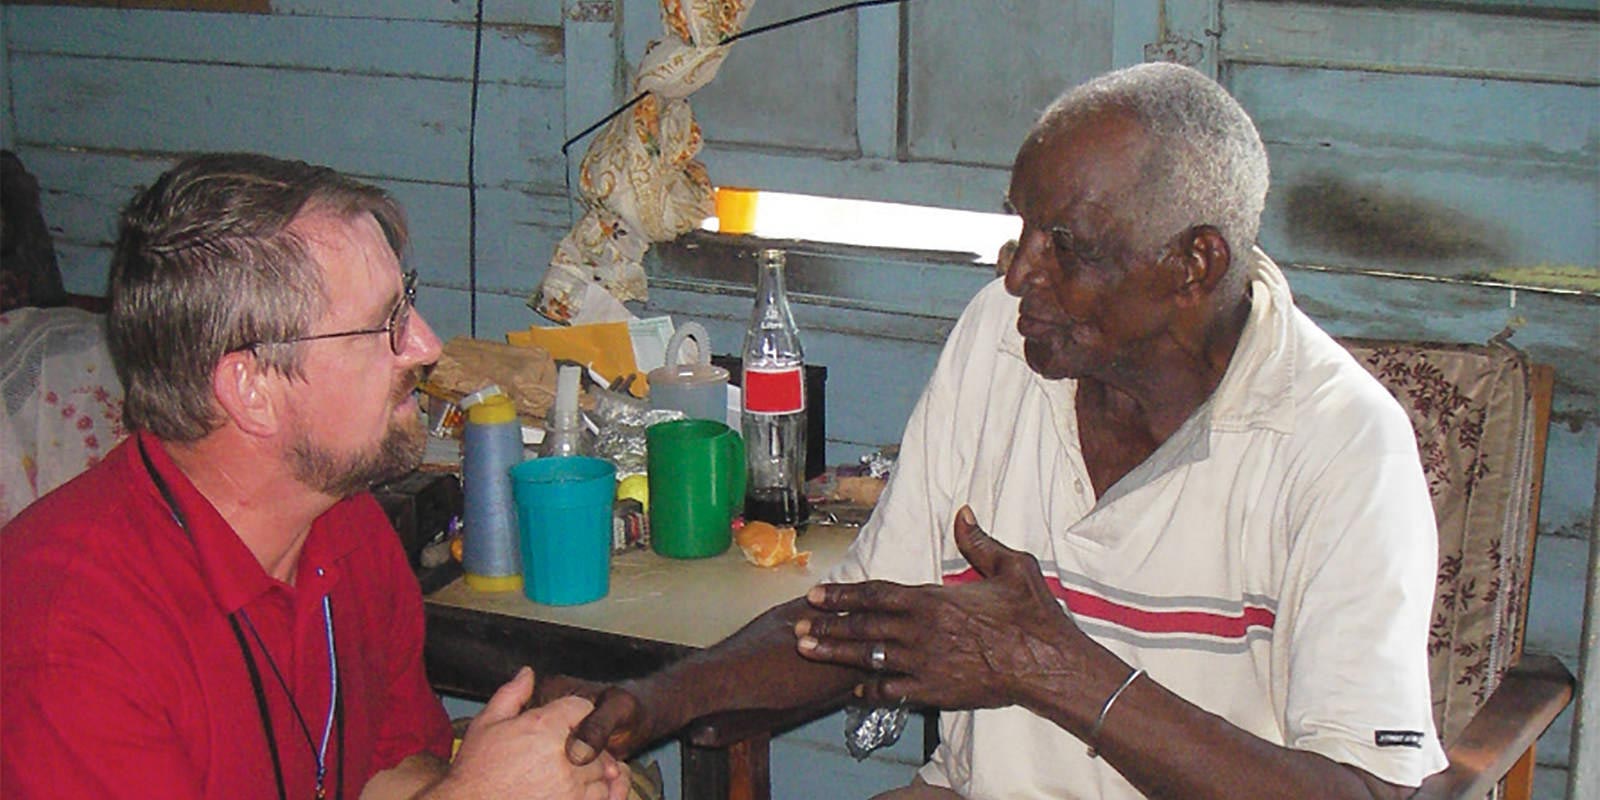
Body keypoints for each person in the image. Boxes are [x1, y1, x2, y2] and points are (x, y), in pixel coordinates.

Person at [539, 63, 1448, 799]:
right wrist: (649, 703)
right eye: (1021, 231)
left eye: (1068, 246)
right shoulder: (1002, 344)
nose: (1020, 276)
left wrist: (1052, 668)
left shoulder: (1341, 444)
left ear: (1193, 265)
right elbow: (862, 622)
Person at [1, 153, 630, 800]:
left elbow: (384, 773)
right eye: (385, 322)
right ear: (251, 389)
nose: (425, 345)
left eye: (406, 302)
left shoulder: (341, 524)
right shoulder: (69, 639)